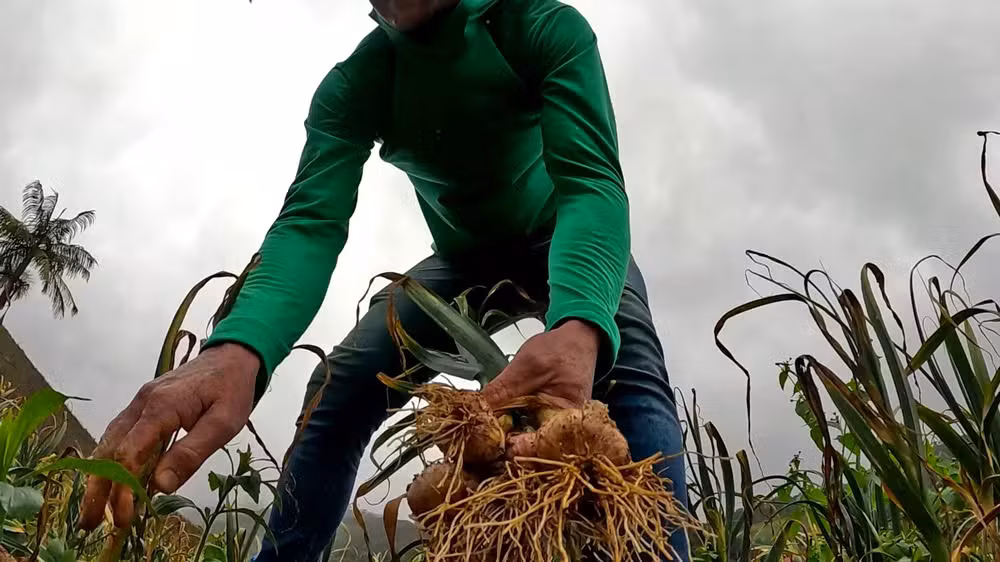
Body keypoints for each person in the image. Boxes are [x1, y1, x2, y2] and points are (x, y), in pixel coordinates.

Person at [79, 0, 691, 559]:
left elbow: (591, 184)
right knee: (339, 387)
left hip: (568, 236)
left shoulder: (540, 25)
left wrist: (582, 319)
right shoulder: (357, 86)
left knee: (628, 376)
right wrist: (239, 346)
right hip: (463, 261)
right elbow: (310, 225)